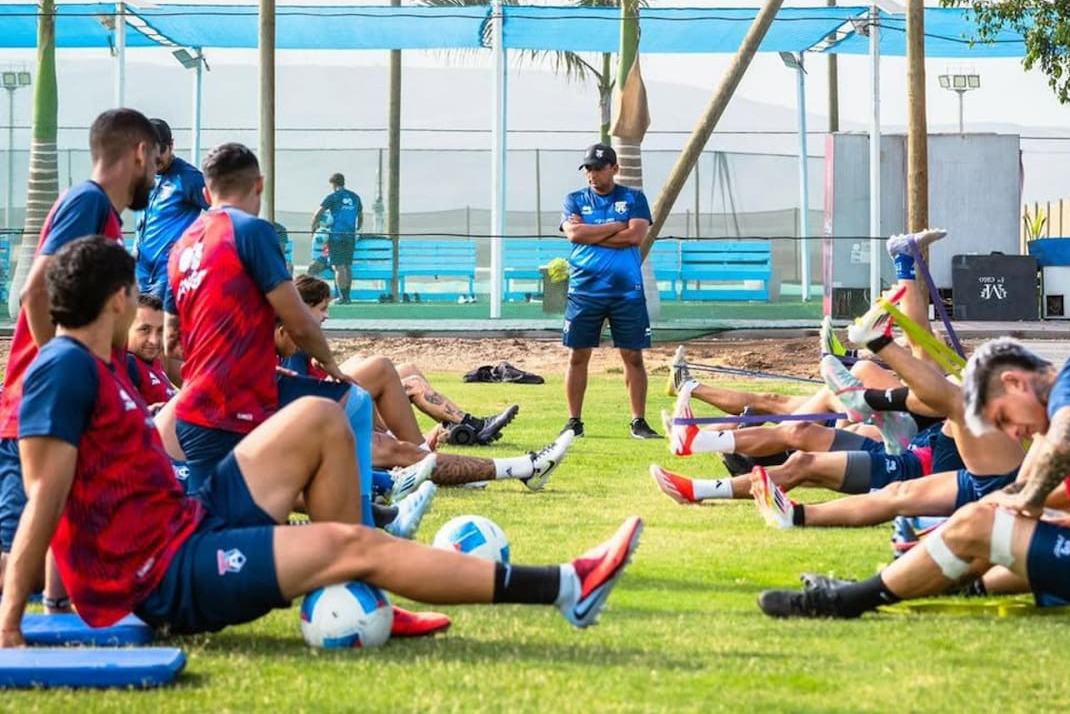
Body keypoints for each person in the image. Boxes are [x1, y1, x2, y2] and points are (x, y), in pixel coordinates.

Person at [0, 235, 643, 645]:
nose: (142, 307)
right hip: (166, 573)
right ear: (116, 301)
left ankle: (359, 586)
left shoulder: (93, 364)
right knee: (352, 543)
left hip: (187, 520)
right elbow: (46, 498)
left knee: (322, 416)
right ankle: (566, 586)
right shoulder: (64, 371)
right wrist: (21, 618)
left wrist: (61, 596)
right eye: (135, 296)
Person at [760, 336, 1070, 618]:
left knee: (980, 523)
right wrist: (1038, 509)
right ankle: (887, 588)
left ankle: (846, 602)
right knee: (986, 531)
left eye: (1004, 416)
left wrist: (1027, 496)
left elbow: (1066, 437)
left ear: (1016, 382)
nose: (1014, 433)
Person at [0, 108, 158, 608]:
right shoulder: (88, 202)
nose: (154, 173)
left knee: (61, 532)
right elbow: (35, 292)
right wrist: (63, 371)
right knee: (13, 559)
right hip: (37, 406)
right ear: (138, 153)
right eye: (154, 161)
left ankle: (58, 605)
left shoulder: (101, 213)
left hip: (49, 401)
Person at [164, 144, 355, 493]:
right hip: (237, 406)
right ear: (260, 185)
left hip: (193, 409)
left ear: (206, 193)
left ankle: (365, 514)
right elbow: (298, 322)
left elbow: (170, 343)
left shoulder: (181, 246)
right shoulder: (252, 231)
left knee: (221, 524)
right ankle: (361, 522)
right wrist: (330, 364)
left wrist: (238, 358)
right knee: (353, 400)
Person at [282, 274, 520, 445]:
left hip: (328, 397)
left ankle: (455, 428)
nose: (327, 316)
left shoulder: (303, 336)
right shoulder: (295, 335)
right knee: (404, 379)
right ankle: (470, 427)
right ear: (305, 306)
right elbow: (299, 386)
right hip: (321, 406)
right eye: (322, 309)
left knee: (407, 369)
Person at [560, 143, 660, 440]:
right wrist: (616, 227)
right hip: (585, 290)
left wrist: (593, 233)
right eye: (588, 168)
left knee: (632, 356)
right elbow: (574, 234)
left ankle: (638, 422)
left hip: (626, 292)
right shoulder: (574, 199)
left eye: (598, 168)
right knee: (578, 355)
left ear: (614, 169)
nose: (592, 174)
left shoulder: (633, 198)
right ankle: (574, 422)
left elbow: (636, 236)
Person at [133, 119, 208, 302]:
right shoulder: (143, 175)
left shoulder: (188, 178)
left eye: (161, 152)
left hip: (168, 274)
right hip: (140, 271)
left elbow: (222, 210)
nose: (155, 159)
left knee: (161, 325)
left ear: (171, 145)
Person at [310, 172, 362, 304]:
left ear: (333, 184)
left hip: (337, 236)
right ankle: (348, 297)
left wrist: (313, 228)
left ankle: (342, 297)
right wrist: (356, 229)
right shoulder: (355, 197)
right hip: (350, 235)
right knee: (347, 266)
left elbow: (318, 214)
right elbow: (360, 217)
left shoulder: (333, 197)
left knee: (338, 266)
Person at [125, 293, 176, 410]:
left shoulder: (155, 363)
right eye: (144, 329)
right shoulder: (127, 364)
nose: (154, 341)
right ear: (125, 328)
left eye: (160, 331)